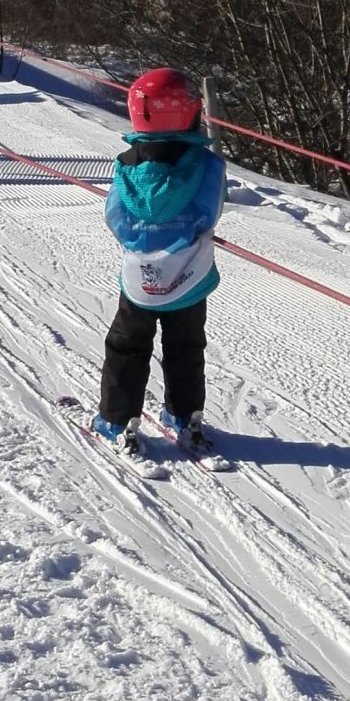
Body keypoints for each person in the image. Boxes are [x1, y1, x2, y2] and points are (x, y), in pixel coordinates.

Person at [92, 67, 226, 456]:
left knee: (127, 345)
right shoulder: (209, 165)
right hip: (190, 274)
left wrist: (141, 241)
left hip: (140, 276)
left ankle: (117, 420)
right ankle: (184, 416)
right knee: (186, 346)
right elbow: (213, 212)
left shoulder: (126, 164)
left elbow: (114, 216)